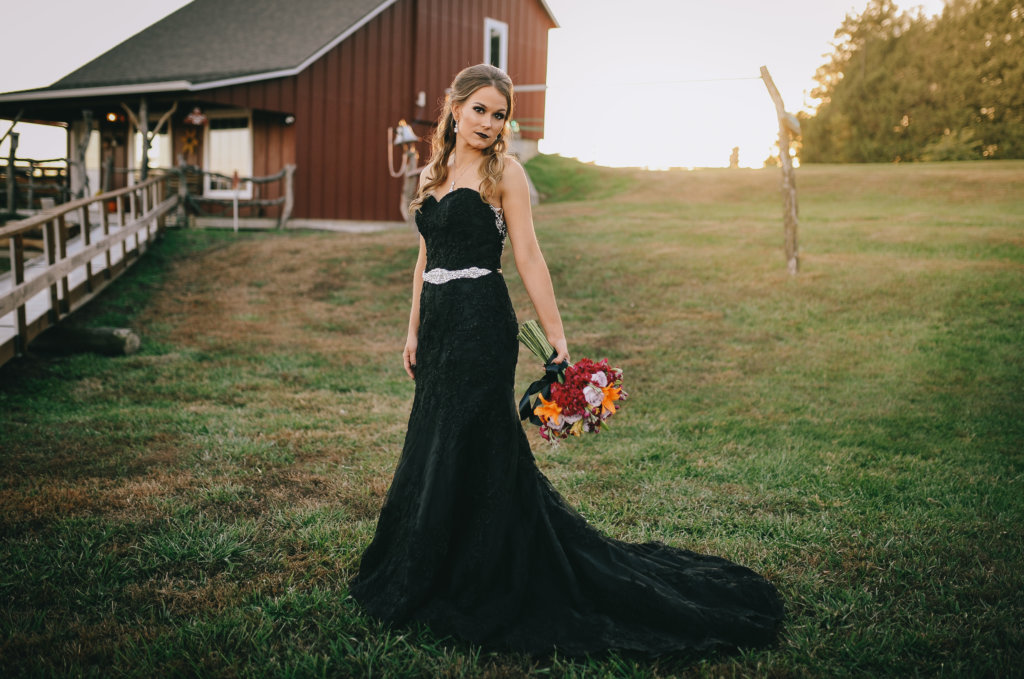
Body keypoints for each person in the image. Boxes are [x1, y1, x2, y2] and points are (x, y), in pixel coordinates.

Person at [349, 64, 784, 657]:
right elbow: (424, 260)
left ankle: (488, 570)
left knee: (478, 438)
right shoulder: (431, 172)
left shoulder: (506, 172)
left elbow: (527, 254)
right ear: (454, 108)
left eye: (498, 114)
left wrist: (556, 337)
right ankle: (427, 559)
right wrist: (412, 331)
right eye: (478, 109)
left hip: (482, 323)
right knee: (434, 436)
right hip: (440, 327)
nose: (488, 122)